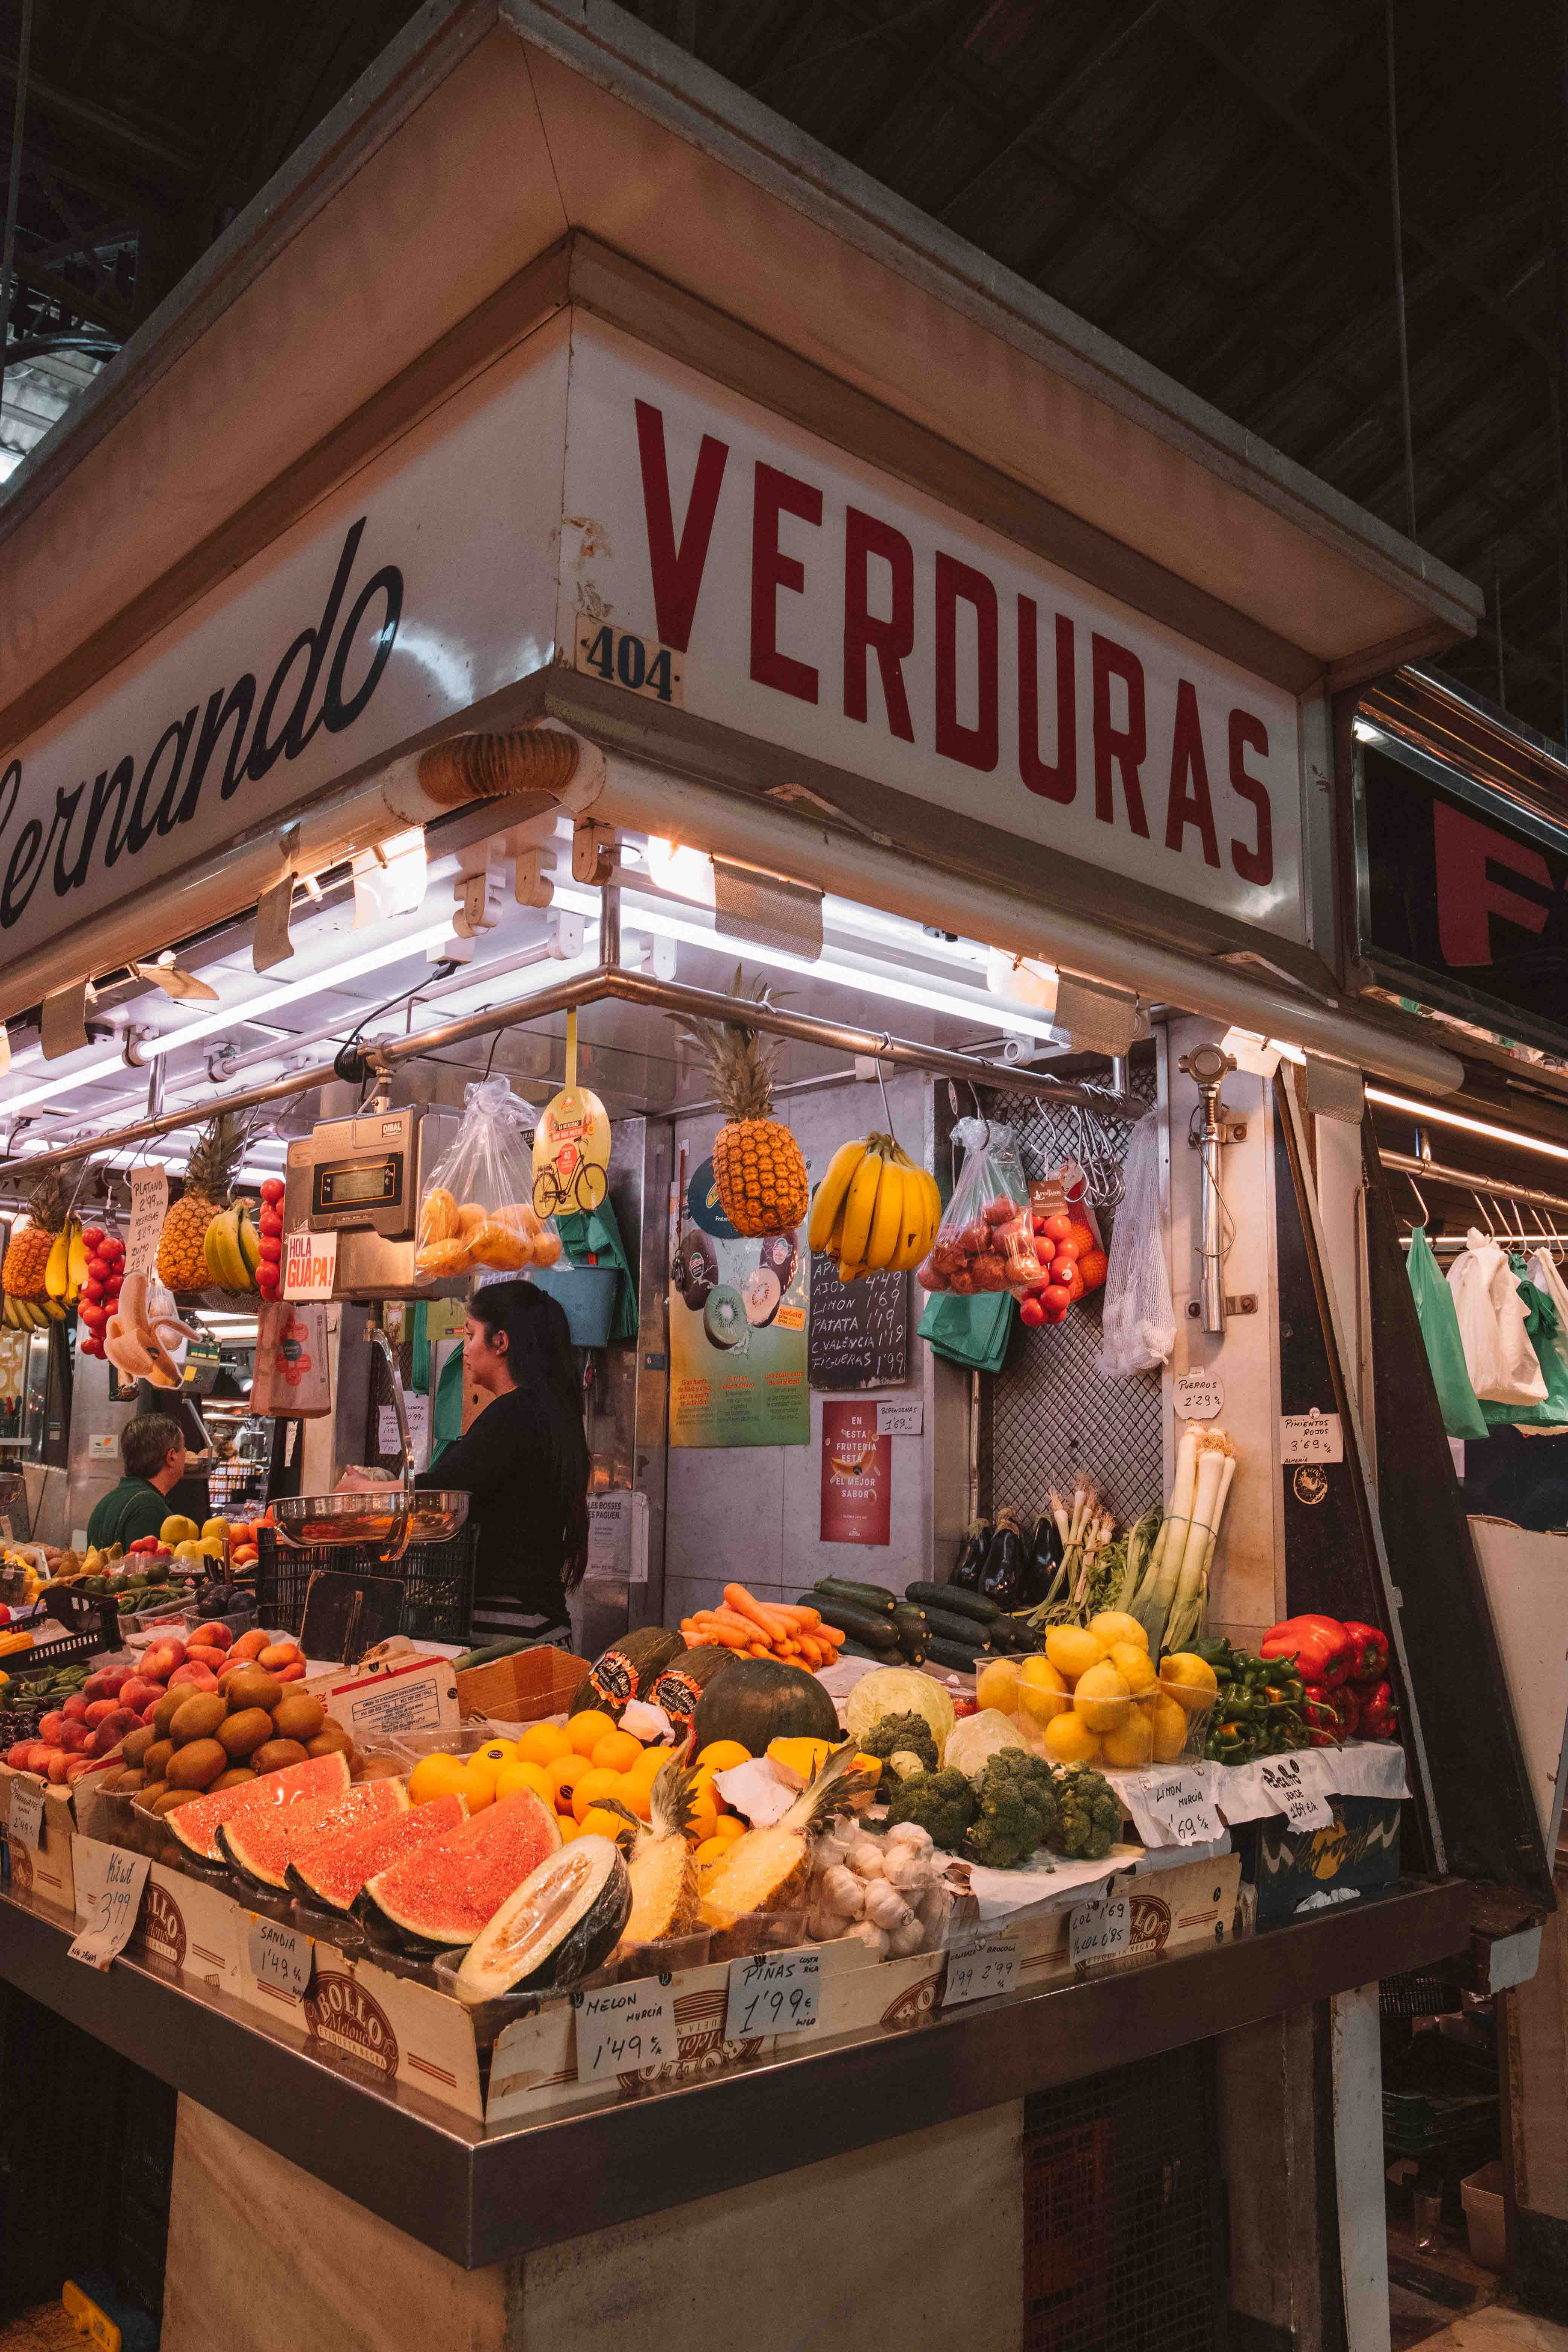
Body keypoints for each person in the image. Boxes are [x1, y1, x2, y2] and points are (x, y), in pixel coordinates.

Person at [416, 1278, 590, 1647]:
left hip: (509, 1628)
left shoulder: (511, 1415)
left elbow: (443, 1491)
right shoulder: (552, 1412)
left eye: (471, 1335)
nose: (465, 1350)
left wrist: (369, 1492)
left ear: (500, 1343)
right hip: (545, 1624)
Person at [86, 1413, 188, 1551]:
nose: (186, 1453)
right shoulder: (149, 1507)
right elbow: (148, 1570)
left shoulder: (108, 1500)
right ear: (172, 1457)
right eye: (183, 1449)